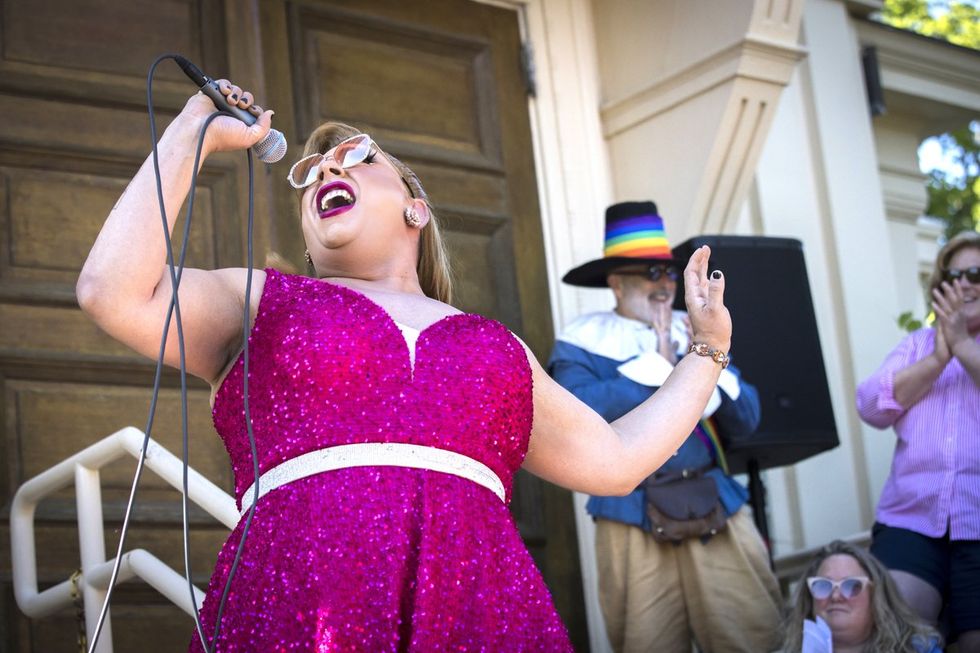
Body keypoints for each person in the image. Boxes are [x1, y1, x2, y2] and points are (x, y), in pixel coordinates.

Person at [76, 80, 735, 651]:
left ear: (416, 207)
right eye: (308, 175)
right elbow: (113, 290)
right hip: (297, 606)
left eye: (356, 158)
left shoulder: (494, 343)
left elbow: (615, 460)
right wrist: (193, 131)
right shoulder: (261, 300)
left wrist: (708, 351)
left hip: (480, 606)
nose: (327, 172)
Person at [546, 201, 781, 653]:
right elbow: (579, 412)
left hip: (715, 504)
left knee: (753, 635)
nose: (665, 284)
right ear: (616, 282)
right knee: (645, 642)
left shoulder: (703, 328)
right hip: (630, 513)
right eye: (650, 274)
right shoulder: (583, 339)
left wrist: (696, 364)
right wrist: (656, 364)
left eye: (669, 273)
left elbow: (748, 416)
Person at [855, 230, 980, 652]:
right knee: (895, 634)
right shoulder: (917, 346)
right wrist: (939, 358)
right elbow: (871, 407)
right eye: (954, 274)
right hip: (911, 521)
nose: (965, 283)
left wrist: (963, 345)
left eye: (976, 273)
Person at [781, 540, 942, 653]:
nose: (836, 596)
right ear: (809, 599)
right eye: (823, 586)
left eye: (851, 586)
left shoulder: (919, 649)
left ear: (877, 595)